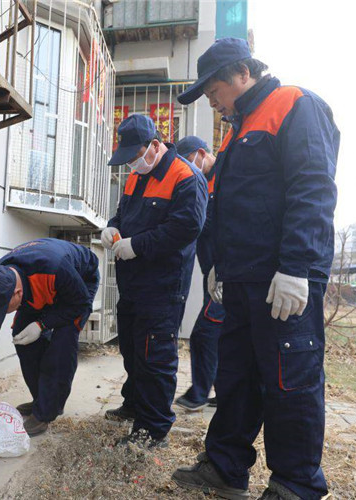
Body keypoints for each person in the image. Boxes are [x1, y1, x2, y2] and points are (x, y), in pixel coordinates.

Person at [172, 37, 339, 500]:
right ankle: (225, 466)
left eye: (214, 92)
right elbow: (233, 206)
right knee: (236, 375)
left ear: (242, 73)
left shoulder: (294, 104)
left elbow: (313, 187)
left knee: (290, 380)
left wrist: (297, 267)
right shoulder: (238, 128)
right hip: (242, 277)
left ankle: (295, 484)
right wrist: (219, 268)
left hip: (282, 276)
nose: (212, 102)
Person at [101, 114, 207, 448]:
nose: (132, 164)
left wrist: (137, 245)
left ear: (155, 146)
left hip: (163, 285)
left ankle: (153, 429)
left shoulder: (185, 177)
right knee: (132, 349)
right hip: (133, 281)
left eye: (135, 156)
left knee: (155, 357)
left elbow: (186, 228)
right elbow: (123, 214)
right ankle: (134, 404)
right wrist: (113, 227)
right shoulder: (136, 177)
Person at [0, 238, 99, 437]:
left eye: (3, 309)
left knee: (61, 346)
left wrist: (42, 324)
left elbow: (80, 304)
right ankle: (41, 400)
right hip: (38, 284)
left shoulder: (55, 268)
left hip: (76, 287)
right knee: (22, 337)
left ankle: (46, 413)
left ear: (17, 294)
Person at [173, 136, 224, 411]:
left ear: (201, 154)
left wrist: (224, 266)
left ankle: (199, 394)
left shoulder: (224, 178)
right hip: (212, 275)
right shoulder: (201, 183)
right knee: (221, 335)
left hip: (225, 274)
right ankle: (225, 392)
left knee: (204, 333)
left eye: (188, 162)